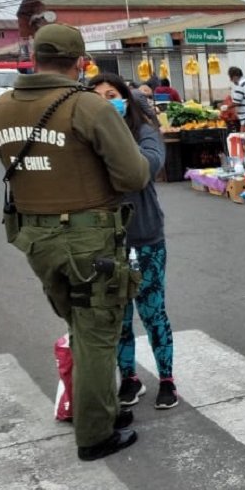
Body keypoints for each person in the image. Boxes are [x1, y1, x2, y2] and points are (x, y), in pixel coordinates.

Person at [0, 23, 150, 461]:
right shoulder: (86, 106)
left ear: (34, 57)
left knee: (80, 325)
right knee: (97, 331)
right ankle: (95, 433)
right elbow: (133, 175)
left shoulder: (0, 107)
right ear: (80, 62)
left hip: (34, 236)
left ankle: (100, 406)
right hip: (88, 237)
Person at [88, 73, 178, 409]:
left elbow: (149, 165)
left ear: (124, 98)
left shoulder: (142, 130)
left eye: (111, 94)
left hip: (144, 233)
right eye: (96, 98)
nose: (105, 102)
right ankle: (129, 378)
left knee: (153, 311)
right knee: (118, 313)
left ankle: (167, 379)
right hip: (106, 239)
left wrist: (113, 139)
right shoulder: (85, 137)